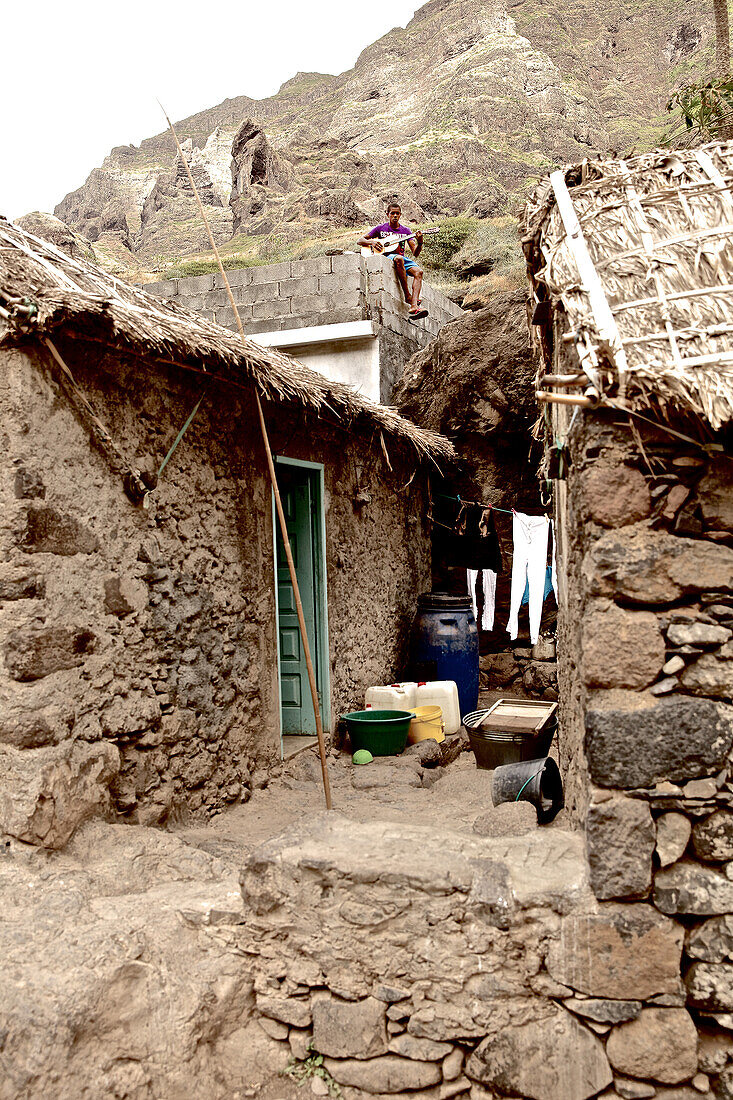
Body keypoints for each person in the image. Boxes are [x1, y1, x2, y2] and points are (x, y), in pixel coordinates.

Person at [358, 203, 428, 320]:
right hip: (387, 256)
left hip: (401, 258)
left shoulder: (406, 231)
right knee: (398, 258)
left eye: (397, 213)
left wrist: (420, 242)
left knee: (419, 272)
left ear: (400, 215)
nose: (395, 216)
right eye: (392, 213)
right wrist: (373, 243)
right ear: (387, 214)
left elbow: (415, 252)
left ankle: (414, 305)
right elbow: (360, 240)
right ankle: (407, 296)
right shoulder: (380, 228)